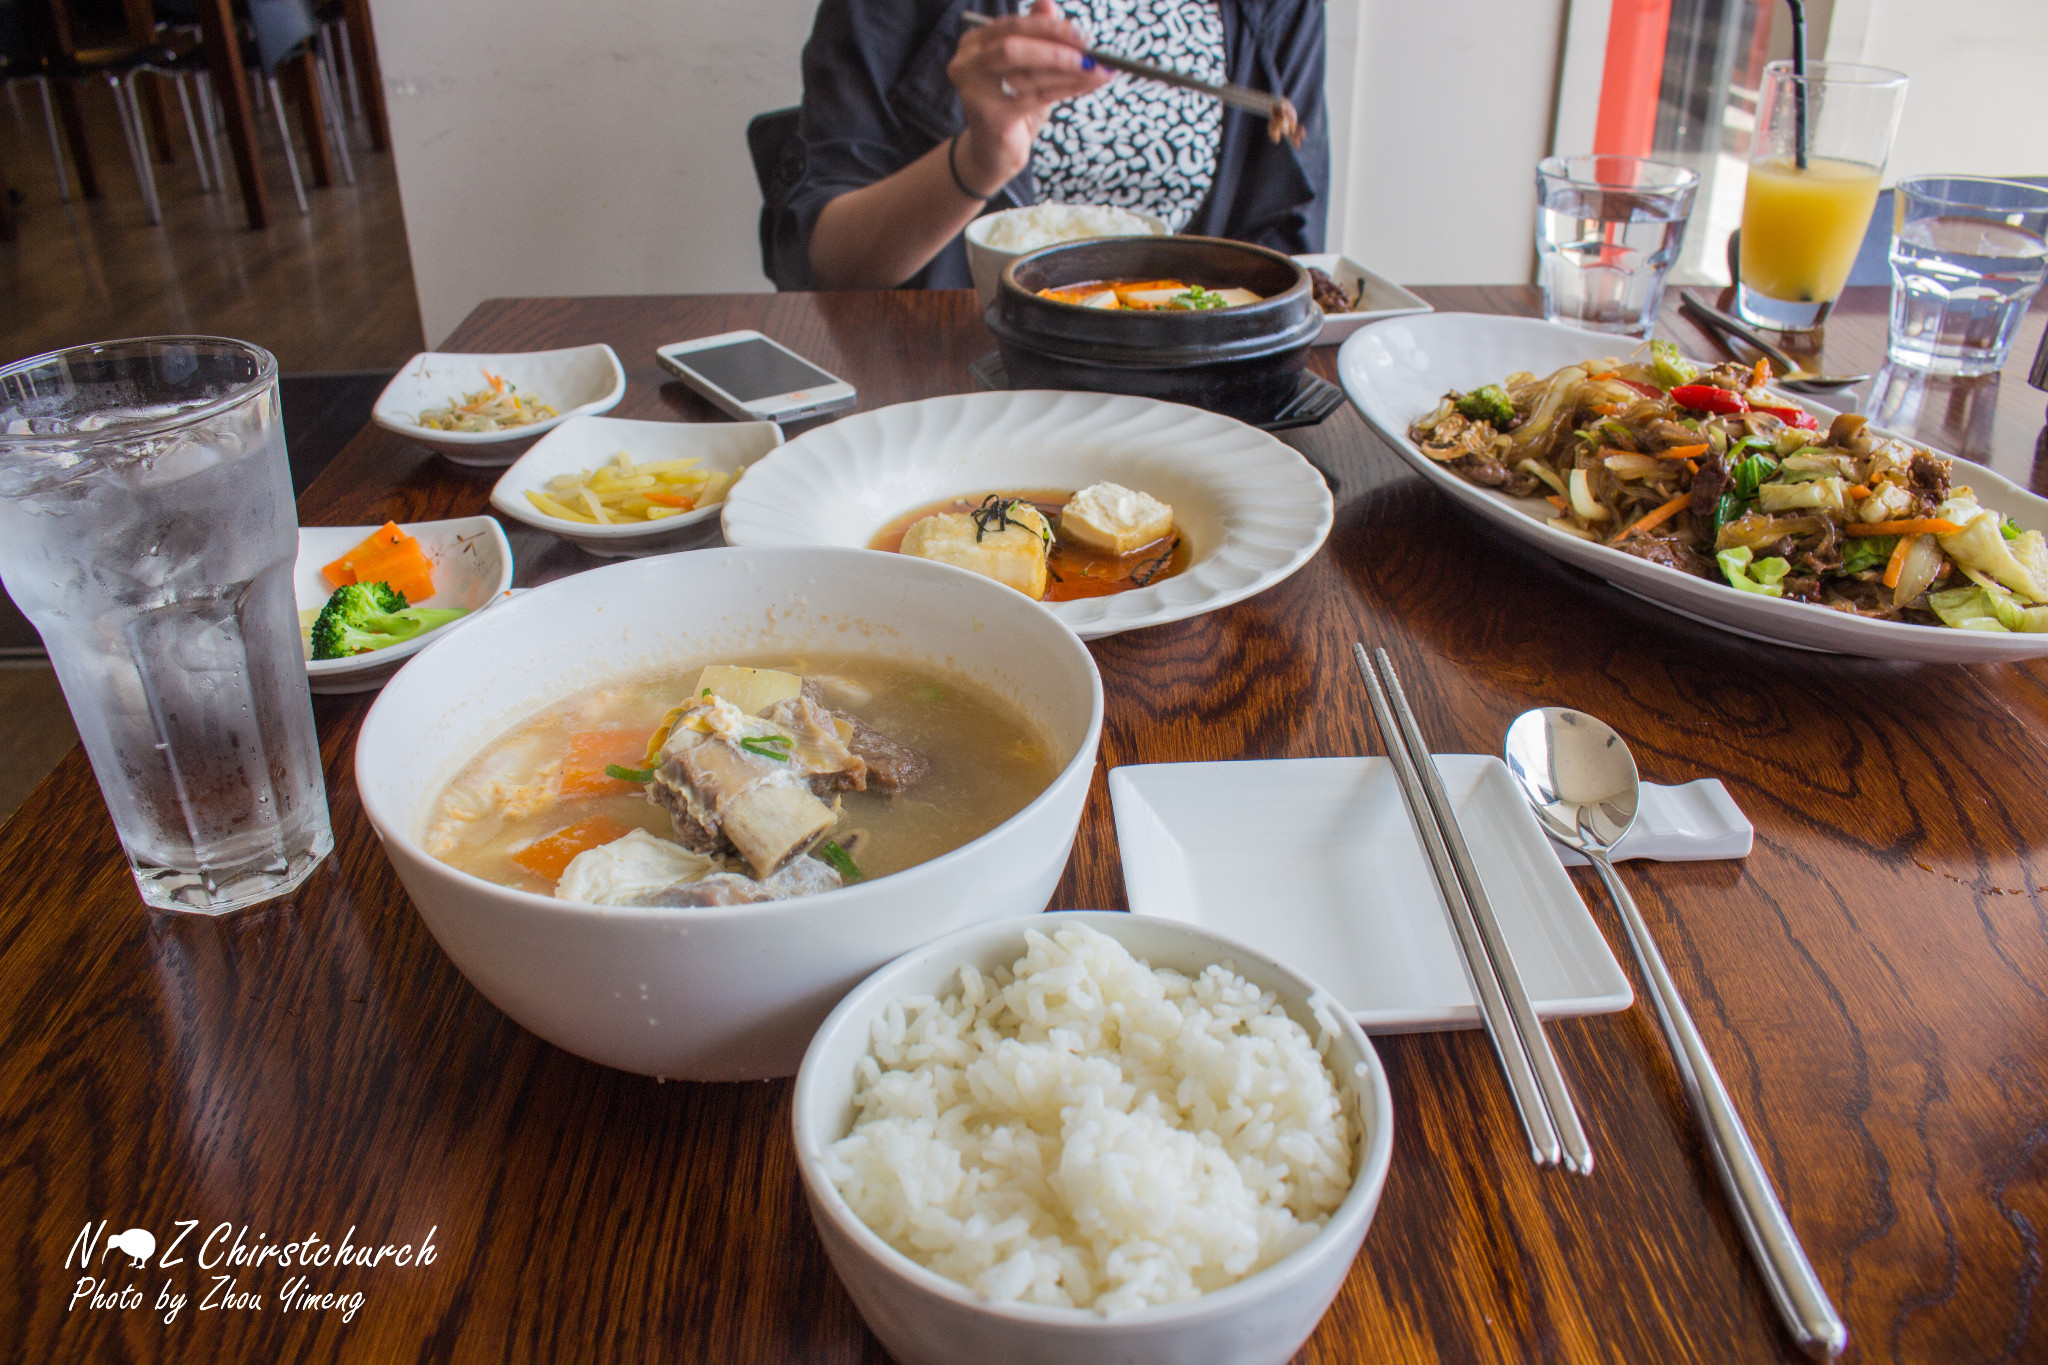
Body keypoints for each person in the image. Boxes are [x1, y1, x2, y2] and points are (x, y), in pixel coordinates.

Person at [762, 0, 1328, 291]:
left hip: (1180, 385)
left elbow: (1288, 252)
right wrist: (979, 160)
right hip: (949, 380)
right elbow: (825, 262)